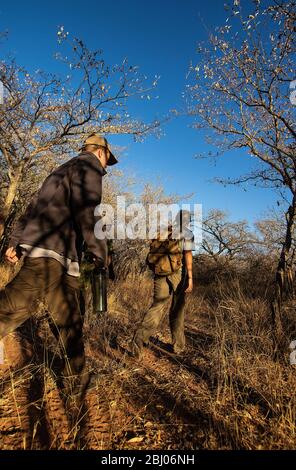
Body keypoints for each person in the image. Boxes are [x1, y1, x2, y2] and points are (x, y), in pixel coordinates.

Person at [0, 134, 118, 400]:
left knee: (69, 320)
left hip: (59, 257)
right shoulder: (89, 168)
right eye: (107, 161)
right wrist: (100, 252)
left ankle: (77, 380)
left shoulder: (59, 171)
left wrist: (15, 242)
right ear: (100, 152)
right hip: (50, 253)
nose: (106, 168)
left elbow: (31, 209)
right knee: (12, 307)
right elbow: (87, 213)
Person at [131, 210, 195, 359]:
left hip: (160, 272)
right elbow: (188, 255)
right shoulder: (187, 233)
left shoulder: (163, 231)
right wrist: (190, 278)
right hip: (179, 275)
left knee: (157, 307)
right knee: (177, 310)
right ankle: (178, 346)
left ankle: (138, 341)